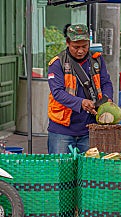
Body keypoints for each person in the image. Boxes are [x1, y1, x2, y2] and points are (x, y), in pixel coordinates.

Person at [47, 24, 113, 154]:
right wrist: (81, 103)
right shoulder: (57, 63)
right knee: (60, 170)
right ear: (67, 42)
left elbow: (106, 82)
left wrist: (107, 98)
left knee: (88, 171)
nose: (80, 51)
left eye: (84, 46)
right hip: (62, 130)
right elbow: (58, 93)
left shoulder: (97, 60)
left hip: (90, 128)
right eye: (76, 47)